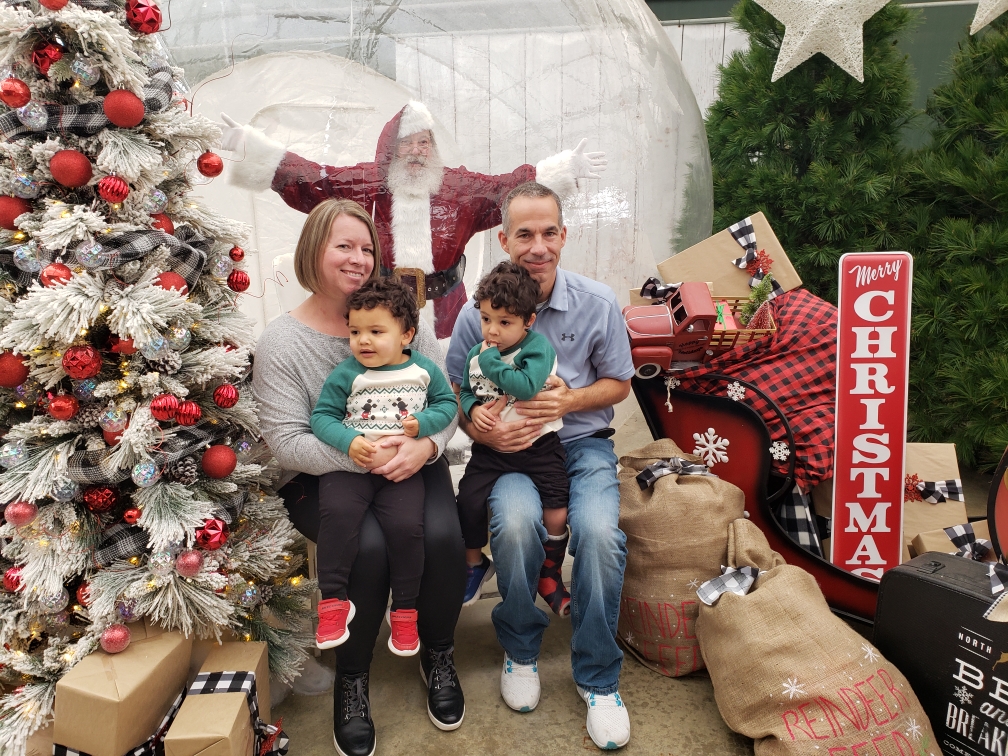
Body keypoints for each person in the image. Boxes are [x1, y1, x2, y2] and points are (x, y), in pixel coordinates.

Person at [252, 198, 465, 756]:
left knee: (444, 535)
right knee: (367, 548)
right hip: (322, 473)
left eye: (367, 248)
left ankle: (437, 650)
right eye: (343, 245)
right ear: (312, 250)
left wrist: (424, 446)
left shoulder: (399, 314)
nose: (358, 259)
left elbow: (446, 401)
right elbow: (287, 442)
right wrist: (366, 456)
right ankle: (352, 678)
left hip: (410, 461)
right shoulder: (282, 343)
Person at [446, 181, 635, 751]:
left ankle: (598, 677)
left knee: (600, 534)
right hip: (511, 454)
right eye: (524, 234)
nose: (538, 246)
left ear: (563, 235)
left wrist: (568, 400)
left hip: (584, 445)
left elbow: (619, 383)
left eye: (549, 232)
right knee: (513, 521)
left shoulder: (596, 302)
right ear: (503, 240)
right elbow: (453, 391)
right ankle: (521, 649)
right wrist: (478, 425)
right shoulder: (478, 313)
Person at [220, 101, 606, 337]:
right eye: (407, 143)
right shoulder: (363, 184)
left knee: (451, 381)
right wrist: (255, 149)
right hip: (377, 304)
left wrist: (561, 171)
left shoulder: (460, 187)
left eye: (424, 142)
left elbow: (508, 188)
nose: (417, 151)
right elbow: (312, 178)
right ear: (390, 149)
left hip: (448, 308)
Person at [310, 276, 458, 657]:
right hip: (349, 470)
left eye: (376, 332)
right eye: (355, 331)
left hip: (402, 472)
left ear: (406, 335)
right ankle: (333, 602)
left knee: (408, 529)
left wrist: (422, 425)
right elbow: (322, 417)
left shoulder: (424, 370)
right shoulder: (347, 374)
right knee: (337, 516)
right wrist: (349, 442)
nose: (363, 341)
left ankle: (405, 609)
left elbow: (447, 405)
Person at [455, 261, 570, 615]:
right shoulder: (476, 354)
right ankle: (474, 563)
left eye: (504, 322)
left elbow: (525, 386)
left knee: (557, 507)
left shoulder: (537, 349)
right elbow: (466, 390)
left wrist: (491, 362)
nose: (492, 330)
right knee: (467, 500)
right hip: (491, 450)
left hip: (540, 446)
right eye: (486, 319)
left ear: (528, 321)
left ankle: (549, 570)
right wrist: (473, 409)